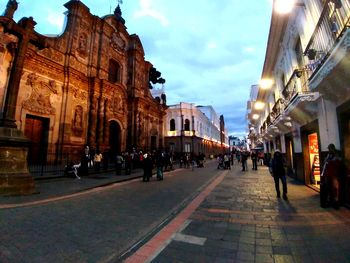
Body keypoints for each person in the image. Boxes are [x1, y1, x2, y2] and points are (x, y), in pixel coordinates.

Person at [320, 143, 346, 209]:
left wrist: (330, 161)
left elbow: (339, 162)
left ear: (332, 148)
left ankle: (336, 203)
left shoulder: (337, 154)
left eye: (329, 148)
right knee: (329, 188)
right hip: (329, 174)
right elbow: (325, 162)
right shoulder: (329, 154)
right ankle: (331, 201)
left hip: (335, 174)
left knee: (335, 189)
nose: (329, 150)